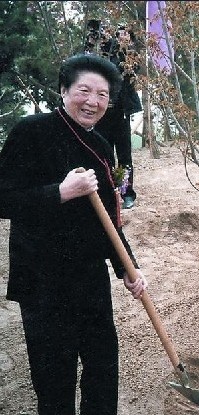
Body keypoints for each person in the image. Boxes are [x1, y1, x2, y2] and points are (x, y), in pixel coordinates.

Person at [0, 54, 147, 415]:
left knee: (102, 371)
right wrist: (60, 192)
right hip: (43, 282)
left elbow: (107, 220)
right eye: (84, 90)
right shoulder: (30, 131)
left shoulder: (98, 145)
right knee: (55, 383)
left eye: (103, 95)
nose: (93, 102)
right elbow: (4, 200)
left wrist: (127, 267)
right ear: (64, 90)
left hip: (89, 277)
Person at [94, 24, 143, 210]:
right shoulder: (104, 53)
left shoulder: (131, 56)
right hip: (102, 114)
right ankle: (106, 192)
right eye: (119, 33)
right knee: (103, 155)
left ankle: (126, 193)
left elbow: (130, 73)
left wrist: (123, 48)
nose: (122, 36)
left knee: (124, 157)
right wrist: (103, 42)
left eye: (126, 33)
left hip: (121, 114)